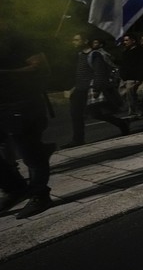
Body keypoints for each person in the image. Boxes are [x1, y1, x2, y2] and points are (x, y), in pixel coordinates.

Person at [0, 19, 56, 219]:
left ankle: (40, 195)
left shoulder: (19, 40)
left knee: (30, 153)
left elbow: (41, 68)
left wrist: (5, 75)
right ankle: (15, 189)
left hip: (22, 104)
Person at [62, 34, 128, 148]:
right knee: (76, 114)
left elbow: (99, 72)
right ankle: (78, 139)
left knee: (95, 114)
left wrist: (96, 89)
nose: (74, 42)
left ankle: (121, 123)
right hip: (79, 90)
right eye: (73, 40)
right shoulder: (79, 55)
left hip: (89, 89)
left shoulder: (94, 54)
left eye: (77, 40)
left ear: (85, 40)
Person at [118, 34, 143, 117]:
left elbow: (141, 64)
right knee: (123, 93)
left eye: (127, 40)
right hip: (125, 76)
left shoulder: (140, 50)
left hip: (133, 76)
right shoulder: (126, 51)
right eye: (124, 40)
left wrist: (139, 78)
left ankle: (133, 111)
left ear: (133, 41)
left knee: (131, 94)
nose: (125, 42)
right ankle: (139, 106)